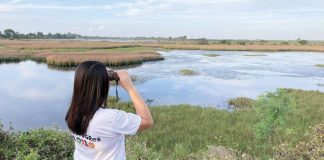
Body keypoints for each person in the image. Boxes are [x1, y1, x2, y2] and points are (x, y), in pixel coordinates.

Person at [65, 61, 153, 160]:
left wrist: (101, 72)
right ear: (103, 86)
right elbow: (147, 121)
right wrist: (130, 87)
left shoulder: (73, 112)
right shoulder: (110, 118)